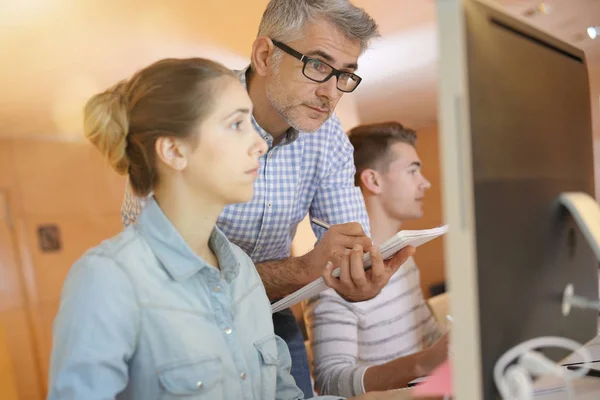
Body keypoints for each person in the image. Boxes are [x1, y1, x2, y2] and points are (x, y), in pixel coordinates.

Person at [47, 58, 413, 400]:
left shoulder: (243, 277)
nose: (259, 144)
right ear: (174, 151)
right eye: (237, 124)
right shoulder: (106, 279)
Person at [119, 1, 414, 396]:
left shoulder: (329, 139)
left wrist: (359, 276)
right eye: (318, 66)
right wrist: (304, 268)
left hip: (268, 314)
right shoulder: (185, 114)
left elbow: (347, 247)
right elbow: (166, 280)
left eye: (345, 75)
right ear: (264, 55)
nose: (330, 92)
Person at [304, 122, 449, 397]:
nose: (425, 182)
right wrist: (423, 363)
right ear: (373, 181)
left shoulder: (403, 256)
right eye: (413, 170)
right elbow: (330, 383)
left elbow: (427, 339)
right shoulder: (336, 276)